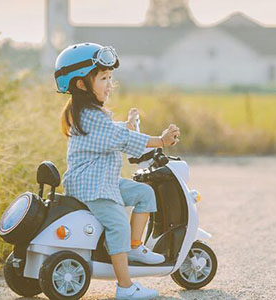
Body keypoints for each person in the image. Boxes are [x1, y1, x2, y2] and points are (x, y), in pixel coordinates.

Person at [55, 42, 180, 300]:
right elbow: (118, 138)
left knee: (145, 194)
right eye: (103, 78)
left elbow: (114, 135)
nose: (110, 84)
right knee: (118, 225)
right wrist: (160, 140)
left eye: (110, 77)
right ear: (81, 84)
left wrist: (129, 124)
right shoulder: (89, 116)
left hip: (103, 181)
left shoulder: (90, 114)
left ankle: (135, 247)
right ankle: (125, 286)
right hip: (92, 186)